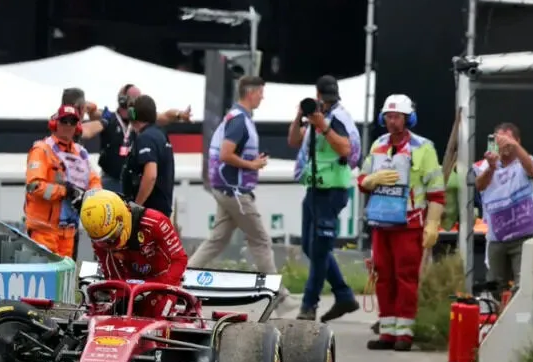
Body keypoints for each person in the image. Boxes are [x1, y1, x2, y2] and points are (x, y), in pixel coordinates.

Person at [189, 76, 292, 306]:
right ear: (251, 92)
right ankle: (279, 297)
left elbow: (228, 154)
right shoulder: (239, 121)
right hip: (234, 191)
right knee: (261, 240)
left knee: (217, 239)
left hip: (225, 187)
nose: (263, 97)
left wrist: (251, 161)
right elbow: (226, 154)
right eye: (261, 92)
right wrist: (252, 165)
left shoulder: (236, 118)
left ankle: (182, 279)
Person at [358, 94, 445, 351]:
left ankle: (404, 333)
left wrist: (432, 223)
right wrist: (370, 180)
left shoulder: (424, 148)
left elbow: (436, 190)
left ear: (408, 119)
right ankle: (387, 331)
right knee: (382, 275)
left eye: (396, 116)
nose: (391, 120)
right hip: (381, 222)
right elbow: (362, 179)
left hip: (409, 224)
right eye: (388, 116)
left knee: (406, 276)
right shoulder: (377, 145)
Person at [288, 75, 363, 322]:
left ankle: (309, 306)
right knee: (311, 248)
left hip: (331, 192)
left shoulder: (338, 119)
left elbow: (345, 149)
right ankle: (343, 295)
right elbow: (294, 141)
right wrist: (300, 116)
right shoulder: (315, 117)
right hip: (314, 189)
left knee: (320, 251)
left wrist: (323, 125)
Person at [79, 189, 188, 317]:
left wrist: (160, 287)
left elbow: (180, 259)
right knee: (111, 314)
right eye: (103, 241)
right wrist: (121, 297)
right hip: (128, 283)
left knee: (157, 313)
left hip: (163, 282)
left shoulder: (156, 222)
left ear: (121, 218)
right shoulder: (100, 240)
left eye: (112, 236)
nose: (109, 244)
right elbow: (112, 274)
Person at [79, 84, 191, 194]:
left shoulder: (141, 120)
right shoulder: (109, 117)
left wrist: (179, 115)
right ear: (122, 100)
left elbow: (165, 116)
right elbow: (93, 113)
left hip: (132, 179)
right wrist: (90, 108)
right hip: (110, 178)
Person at [24, 104, 103, 258]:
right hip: (43, 230)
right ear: (55, 123)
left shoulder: (82, 154)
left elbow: (94, 181)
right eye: (64, 121)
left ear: (77, 127)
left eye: (72, 122)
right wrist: (64, 191)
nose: (68, 125)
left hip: (69, 233)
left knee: (64, 280)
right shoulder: (42, 149)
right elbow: (34, 186)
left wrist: (90, 196)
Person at [473, 122, 533, 288]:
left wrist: (515, 147)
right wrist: (492, 167)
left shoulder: (526, 160)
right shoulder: (485, 166)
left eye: (508, 140)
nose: (504, 144)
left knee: (523, 286)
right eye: (500, 140)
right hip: (497, 239)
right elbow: (480, 186)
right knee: (495, 286)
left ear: (518, 140)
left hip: (524, 237)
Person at [121, 94, 176, 219]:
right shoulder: (160, 134)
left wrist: (136, 207)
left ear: (133, 115)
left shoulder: (146, 138)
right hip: (159, 212)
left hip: (149, 213)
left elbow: (151, 175)